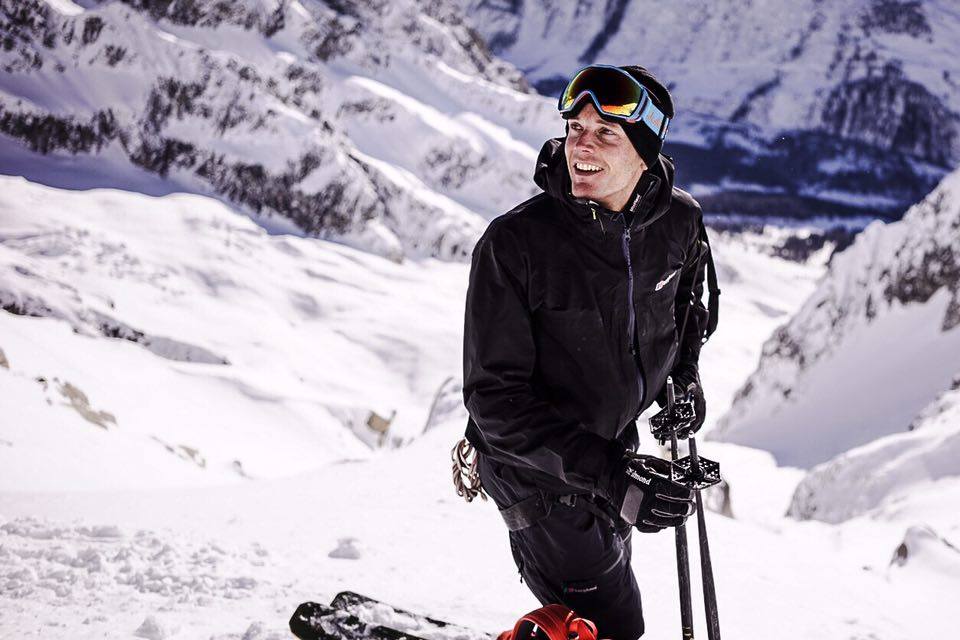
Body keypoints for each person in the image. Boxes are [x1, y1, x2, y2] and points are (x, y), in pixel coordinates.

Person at [461, 64, 716, 640]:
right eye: (576, 128)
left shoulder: (680, 223)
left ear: (645, 152)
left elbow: (688, 312)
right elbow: (494, 401)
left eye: (605, 134)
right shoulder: (515, 245)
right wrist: (614, 476)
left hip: (611, 448)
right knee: (618, 623)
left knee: (600, 610)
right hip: (533, 469)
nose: (581, 144)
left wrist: (686, 378)